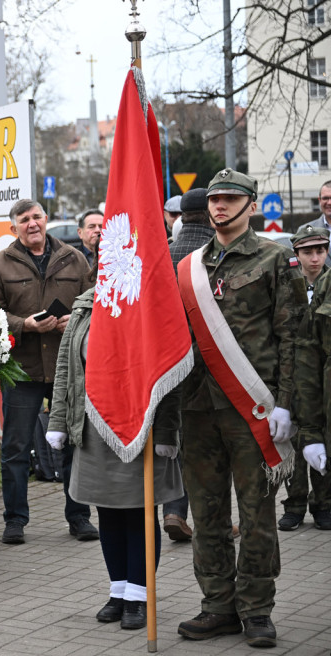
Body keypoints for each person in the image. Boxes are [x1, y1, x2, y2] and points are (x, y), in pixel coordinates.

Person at [175, 169, 306, 648]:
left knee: (256, 515)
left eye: (230, 198)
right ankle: (218, 606)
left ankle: (256, 609)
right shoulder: (188, 267)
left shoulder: (275, 258)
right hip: (197, 408)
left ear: (251, 205)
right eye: (214, 199)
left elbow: (293, 338)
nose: (220, 206)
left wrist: (286, 404)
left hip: (253, 407)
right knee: (207, 514)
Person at [46, 289, 183, 630]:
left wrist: (167, 431)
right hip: (93, 425)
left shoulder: (148, 301)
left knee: (138, 511)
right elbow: (66, 368)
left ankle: (139, 595)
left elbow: (170, 369)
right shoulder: (84, 305)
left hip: (139, 426)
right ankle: (119, 591)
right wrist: (58, 421)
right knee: (106, 509)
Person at [0, 198, 98, 545]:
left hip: (67, 368)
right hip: (23, 370)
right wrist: (25, 325)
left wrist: (76, 319)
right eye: (24, 219)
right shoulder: (0, 264)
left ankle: (79, 517)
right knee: (16, 448)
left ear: (46, 219)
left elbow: (94, 303)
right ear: (13, 227)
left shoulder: (73, 258)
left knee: (75, 442)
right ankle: (15, 520)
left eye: (36, 217)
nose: (32, 223)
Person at [162, 187, 213, 543]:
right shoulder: (219, 254)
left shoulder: (164, 254)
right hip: (214, 364)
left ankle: (174, 511)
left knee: (175, 439)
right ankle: (210, 520)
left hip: (171, 363)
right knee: (209, 446)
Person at [278, 225, 331, 532]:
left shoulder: (329, 284)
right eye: (308, 252)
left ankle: (323, 504)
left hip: (322, 377)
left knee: (321, 437)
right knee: (293, 444)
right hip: (290, 374)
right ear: (296, 254)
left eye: (320, 251)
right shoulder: (287, 286)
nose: (315, 258)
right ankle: (294, 505)